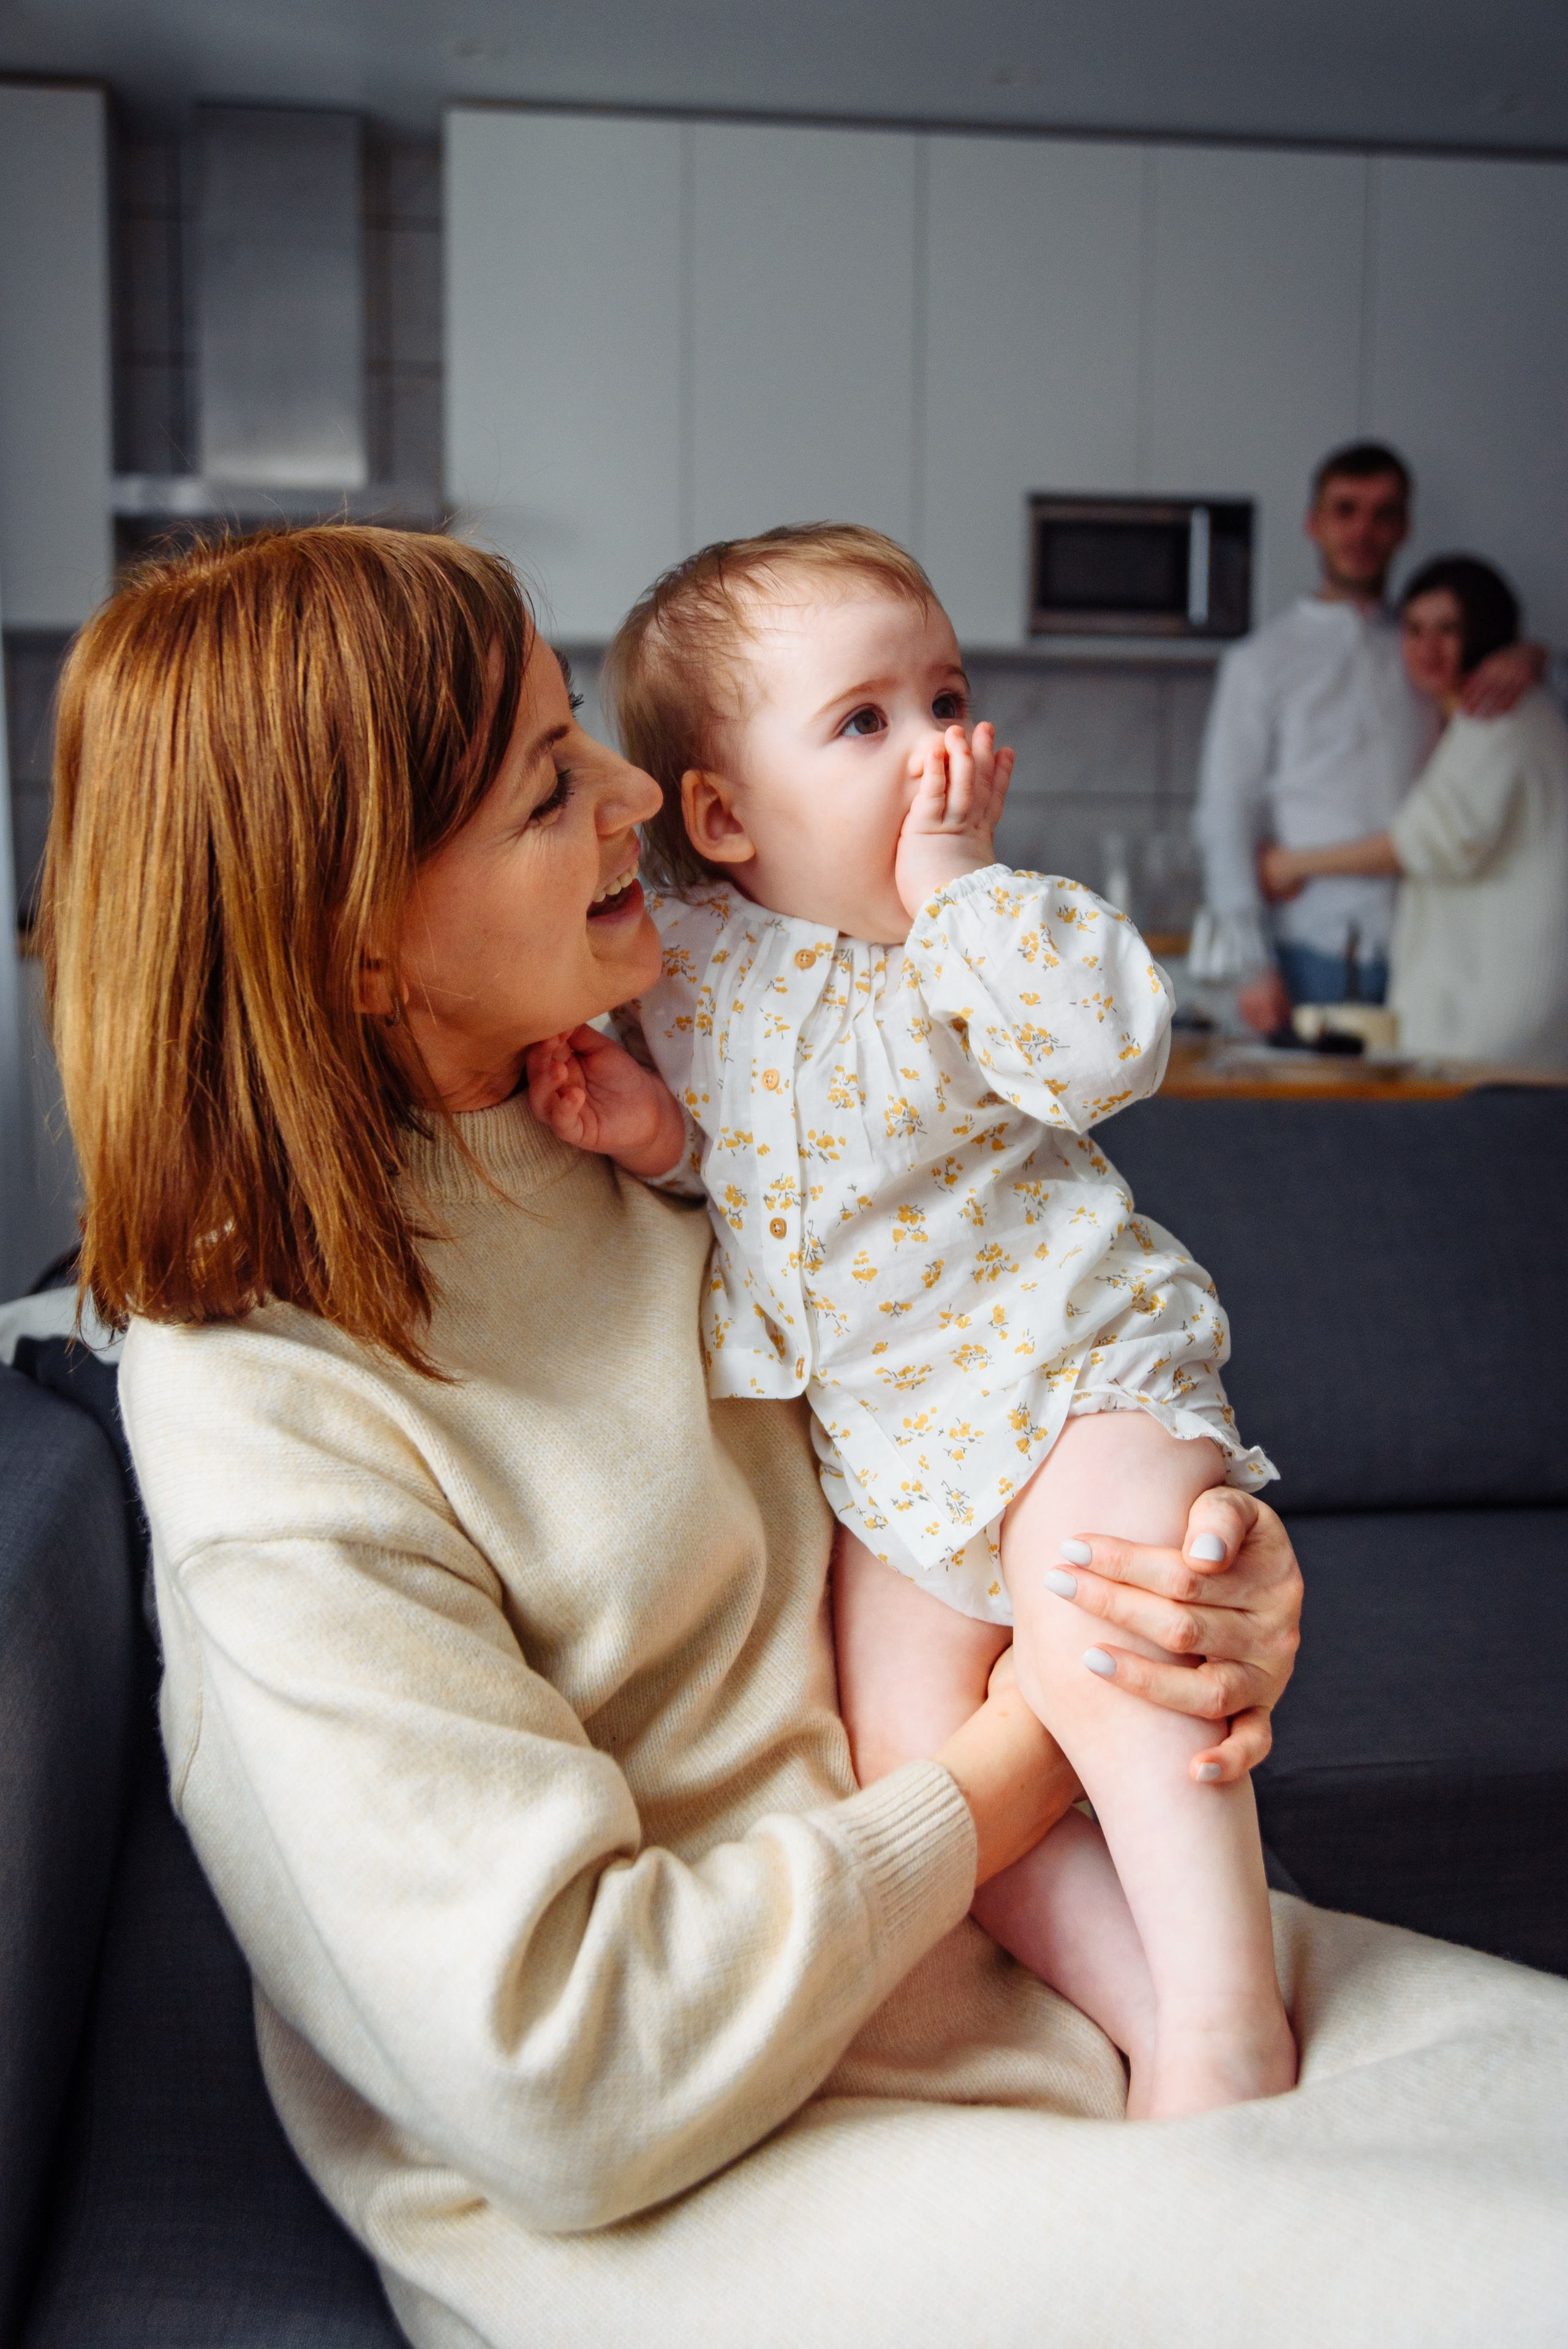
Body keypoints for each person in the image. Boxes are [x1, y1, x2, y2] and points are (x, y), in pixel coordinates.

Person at [40, 526, 1568, 2349]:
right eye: (548, 791)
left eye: (583, 727)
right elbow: (567, 2075)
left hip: (1036, 1963)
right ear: (360, 951)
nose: (635, 796)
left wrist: (1199, 1597)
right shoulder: (269, 1411)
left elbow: (982, 1433)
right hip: (726, 2167)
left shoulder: (679, 1114)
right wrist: (1026, 1744)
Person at [527, 524, 1291, 2118]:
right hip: (898, 1465)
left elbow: (1102, 1057)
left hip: (1085, 1374)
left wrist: (959, 889)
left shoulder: (983, 946)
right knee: (911, 1763)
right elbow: (739, 1174)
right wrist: (651, 1137)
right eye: (865, 720)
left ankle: (1230, 2018)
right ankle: (1146, 2009)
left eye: (945, 694)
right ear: (725, 812)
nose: (939, 744)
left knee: (1114, 1655)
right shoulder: (686, 969)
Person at [1193, 440, 1542, 1033]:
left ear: (1404, 528)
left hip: (1428, 951)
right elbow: (1224, 816)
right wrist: (1251, 966)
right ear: (1314, 523)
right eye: (1345, 510)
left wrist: (1533, 655)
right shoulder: (1260, 662)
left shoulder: (1426, 649)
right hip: (1312, 957)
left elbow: (1507, 736)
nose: (1363, 530)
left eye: (1383, 513)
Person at [1259, 556, 1568, 1072]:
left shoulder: (1496, 717)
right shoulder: (1491, 715)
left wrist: (1289, 865)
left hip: (1503, 1005)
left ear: (1486, 632)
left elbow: (1421, 842)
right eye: (1415, 629)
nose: (1428, 648)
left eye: (1449, 629)